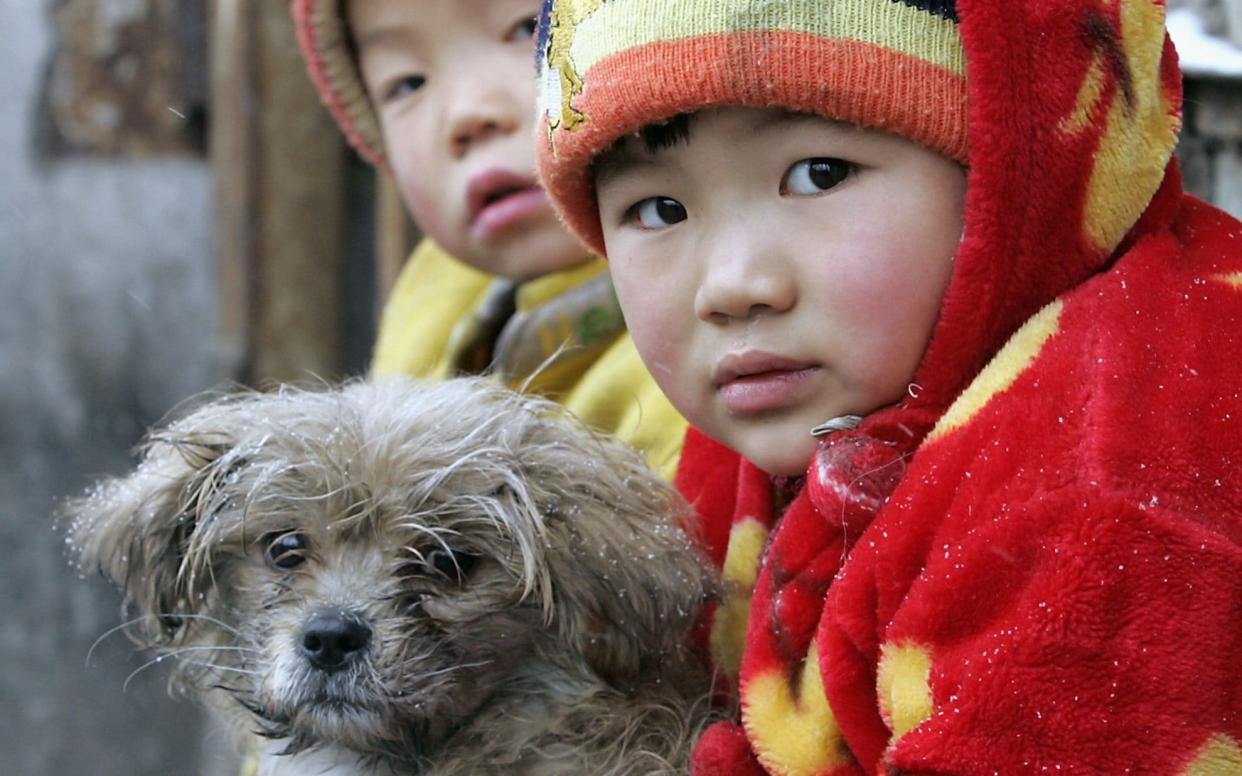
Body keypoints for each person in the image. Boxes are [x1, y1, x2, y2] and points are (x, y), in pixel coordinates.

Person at [535, 0, 1242, 773]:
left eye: (819, 174)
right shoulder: (803, 399)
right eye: (659, 209)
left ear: (1016, 174)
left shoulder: (1107, 493)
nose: (734, 285)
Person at [290, 0, 686, 479]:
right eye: (406, 83)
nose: (468, 113)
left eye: (528, 28)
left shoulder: (706, 350)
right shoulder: (436, 299)